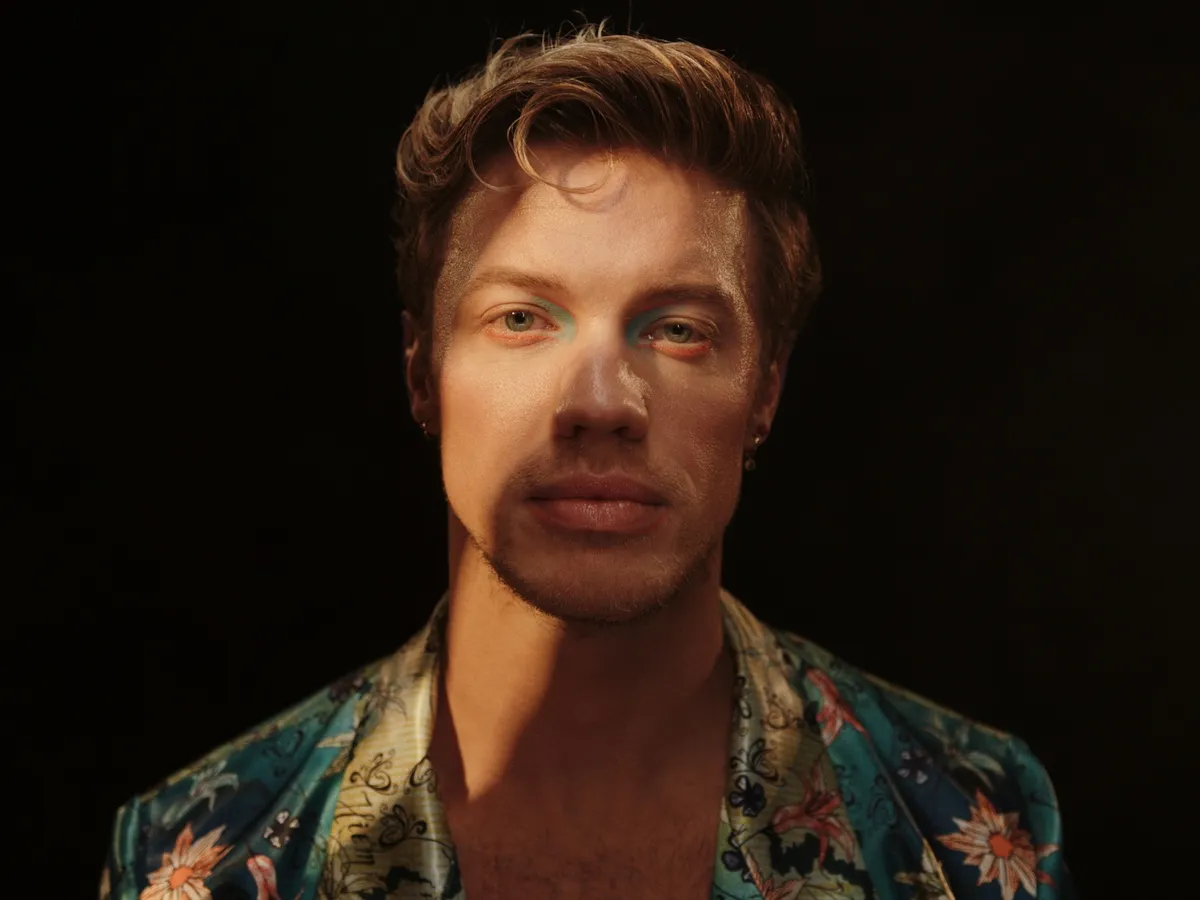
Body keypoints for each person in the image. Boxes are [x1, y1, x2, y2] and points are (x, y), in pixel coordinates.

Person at [101, 21, 1074, 900]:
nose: (601, 403)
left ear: (765, 391)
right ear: (422, 373)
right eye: (523, 318)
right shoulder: (194, 864)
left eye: (679, 329)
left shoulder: (980, 827)